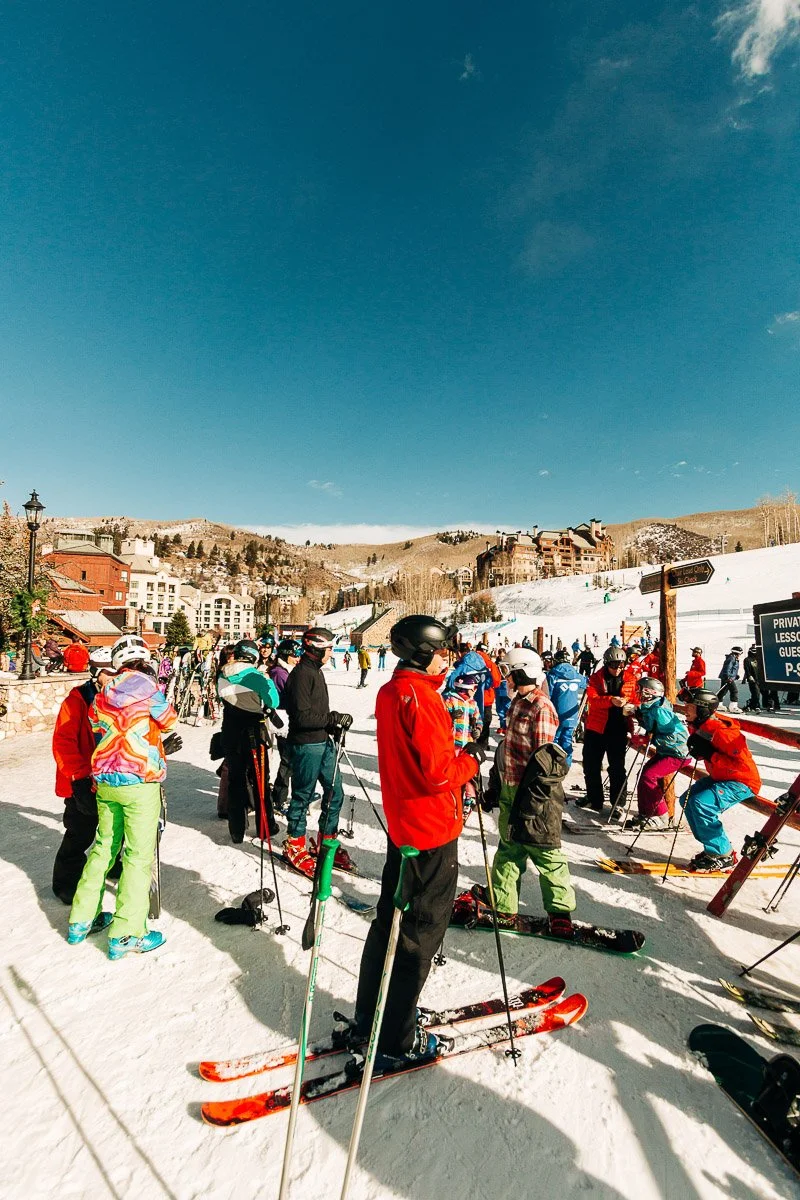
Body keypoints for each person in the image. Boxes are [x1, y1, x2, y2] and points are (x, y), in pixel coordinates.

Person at [352, 615, 481, 1066]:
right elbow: (439, 772)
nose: (448, 655)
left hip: (405, 824)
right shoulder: (422, 698)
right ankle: (396, 1036)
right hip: (431, 829)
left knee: (390, 920)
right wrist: (471, 761)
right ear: (426, 651)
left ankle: (371, 1017)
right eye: (443, 648)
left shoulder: (392, 691)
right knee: (420, 933)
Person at [67, 635, 178, 958]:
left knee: (103, 847)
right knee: (137, 857)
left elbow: (95, 726)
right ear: (146, 662)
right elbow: (170, 721)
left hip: (105, 778)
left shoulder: (102, 694)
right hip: (139, 780)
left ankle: (81, 920)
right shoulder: (150, 690)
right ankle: (127, 932)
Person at [476, 648, 576, 936]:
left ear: (522, 671)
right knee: (509, 850)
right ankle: (504, 906)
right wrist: (496, 784)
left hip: (535, 795)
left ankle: (559, 912)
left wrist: (532, 801)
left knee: (545, 851)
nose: (505, 678)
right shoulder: (517, 702)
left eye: (509, 672)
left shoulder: (541, 707)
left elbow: (545, 762)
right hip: (510, 787)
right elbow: (508, 747)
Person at [281, 628, 354, 876]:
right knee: (303, 796)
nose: (332, 653)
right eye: (329, 648)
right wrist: (331, 718)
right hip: (306, 744)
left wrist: (332, 724)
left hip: (323, 742)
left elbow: (316, 712)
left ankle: (327, 842)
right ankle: (295, 843)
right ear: (317, 648)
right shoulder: (302, 674)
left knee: (336, 792)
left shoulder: (316, 672)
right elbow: (301, 717)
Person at [51, 648, 118, 904]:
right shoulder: (77, 700)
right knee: (80, 832)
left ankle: (114, 864)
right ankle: (66, 883)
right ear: (96, 673)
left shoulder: (121, 699)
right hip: (83, 780)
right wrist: (79, 778)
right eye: (109, 673)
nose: (115, 678)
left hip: (114, 777)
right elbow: (63, 742)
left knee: (115, 829)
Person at [681, 688, 762, 871]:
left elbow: (740, 764)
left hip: (742, 781)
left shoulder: (723, 731)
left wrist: (710, 754)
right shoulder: (700, 725)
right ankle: (712, 850)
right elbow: (709, 752)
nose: (686, 709)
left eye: (690, 706)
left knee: (701, 804)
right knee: (686, 800)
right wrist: (700, 752)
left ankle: (723, 854)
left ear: (701, 710)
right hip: (721, 776)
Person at [216, 638, 281, 844]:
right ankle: (265, 826)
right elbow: (274, 700)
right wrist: (265, 681)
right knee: (260, 779)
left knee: (236, 779)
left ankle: (237, 828)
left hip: (231, 728)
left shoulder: (222, 673)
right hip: (253, 729)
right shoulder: (255, 675)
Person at [577, 646, 639, 813]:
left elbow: (636, 699)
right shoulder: (596, 678)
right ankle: (594, 798)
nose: (618, 669)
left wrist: (632, 707)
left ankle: (618, 803)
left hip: (618, 728)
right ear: (606, 664)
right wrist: (611, 700)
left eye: (621, 665)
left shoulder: (631, 679)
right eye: (614, 665)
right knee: (591, 765)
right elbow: (593, 699)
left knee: (617, 767)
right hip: (596, 727)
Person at [623, 677, 689, 830]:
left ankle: (661, 816)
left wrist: (646, 736)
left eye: (640, 692)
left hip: (677, 753)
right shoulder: (653, 706)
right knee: (644, 774)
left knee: (649, 776)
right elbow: (650, 719)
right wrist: (637, 712)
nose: (638, 695)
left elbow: (665, 729)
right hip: (666, 750)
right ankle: (646, 812)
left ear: (649, 693)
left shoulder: (659, 710)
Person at [268, 638, 301, 814]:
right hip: (283, 722)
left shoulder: (285, 670)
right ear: (286, 655)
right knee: (288, 761)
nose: (298, 658)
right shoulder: (279, 673)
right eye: (295, 655)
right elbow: (287, 698)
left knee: (290, 760)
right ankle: (279, 798)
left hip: (286, 720)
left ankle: (282, 795)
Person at [546, 648, 587, 768]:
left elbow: (548, 693)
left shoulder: (553, 674)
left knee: (554, 740)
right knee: (567, 740)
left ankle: (553, 765)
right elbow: (586, 683)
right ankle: (566, 765)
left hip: (556, 714)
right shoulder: (576, 674)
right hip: (572, 715)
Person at [474, 644, 502, 743]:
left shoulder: (470, 661)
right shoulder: (491, 664)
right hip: (487, 699)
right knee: (485, 722)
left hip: (471, 697)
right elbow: (497, 681)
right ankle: (483, 743)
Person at [717, 646, 743, 713]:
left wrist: (735, 676)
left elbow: (732, 669)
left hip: (728, 677)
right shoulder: (731, 658)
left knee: (723, 691)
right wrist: (728, 677)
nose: (740, 655)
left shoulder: (733, 658)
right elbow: (727, 668)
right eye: (740, 653)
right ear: (737, 653)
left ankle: (718, 704)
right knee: (734, 691)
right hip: (728, 678)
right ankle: (733, 707)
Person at [742, 645, 762, 713]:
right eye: (753, 651)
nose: (755, 652)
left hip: (760, 679)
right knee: (756, 693)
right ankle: (756, 706)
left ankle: (752, 705)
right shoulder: (747, 660)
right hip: (752, 679)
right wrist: (749, 677)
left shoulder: (759, 658)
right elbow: (747, 669)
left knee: (757, 694)